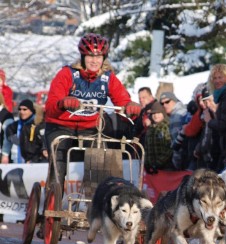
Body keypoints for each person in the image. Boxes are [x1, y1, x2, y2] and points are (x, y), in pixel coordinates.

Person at [44, 33, 141, 189]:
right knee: (58, 166)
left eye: (99, 56)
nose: (94, 60)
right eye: (90, 56)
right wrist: (63, 103)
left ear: (104, 58)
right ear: (82, 57)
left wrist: (131, 107)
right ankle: (51, 205)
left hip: (90, 127)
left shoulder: (108, 78)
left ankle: (93, 204)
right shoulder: (67, 74)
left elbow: (122, 100)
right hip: (60, 126)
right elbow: (50, 108)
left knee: (99, 165)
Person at [2, 99, 36, 164]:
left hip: (37, 160)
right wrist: (13, 139)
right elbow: (8, 132)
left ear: (31, 111)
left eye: (24, 109)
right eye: (20, 109)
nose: (21, 111)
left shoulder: (38, 124)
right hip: (22, 160)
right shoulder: (17, 125)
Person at [144, 101, 172, 173]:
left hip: (165, 167)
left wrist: (159, 163)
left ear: (163, 114)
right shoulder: (150, 129)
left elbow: (169, 148)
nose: (156, 116)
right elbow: (146, 148)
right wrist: (146, 163)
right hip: (152, 168)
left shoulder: (166, 127)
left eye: (158, 113)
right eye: (153, 113)